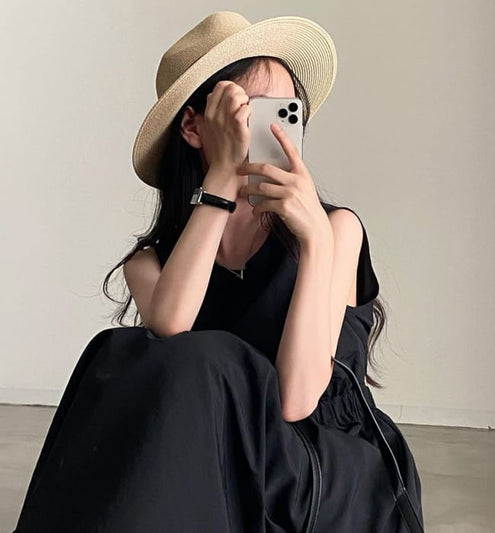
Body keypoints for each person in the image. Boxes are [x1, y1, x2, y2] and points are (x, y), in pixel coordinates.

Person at [12, 11, 424, 533]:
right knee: (117, 352)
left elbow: (297, 399)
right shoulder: (151, 262)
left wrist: (316, 241)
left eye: (286, 110)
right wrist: (223, 176)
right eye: (250, 110)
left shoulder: (335, 231)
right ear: (193, 127)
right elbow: (172, 325)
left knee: (211, 359)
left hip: (317, 464)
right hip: (215, 453)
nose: (273, 128)